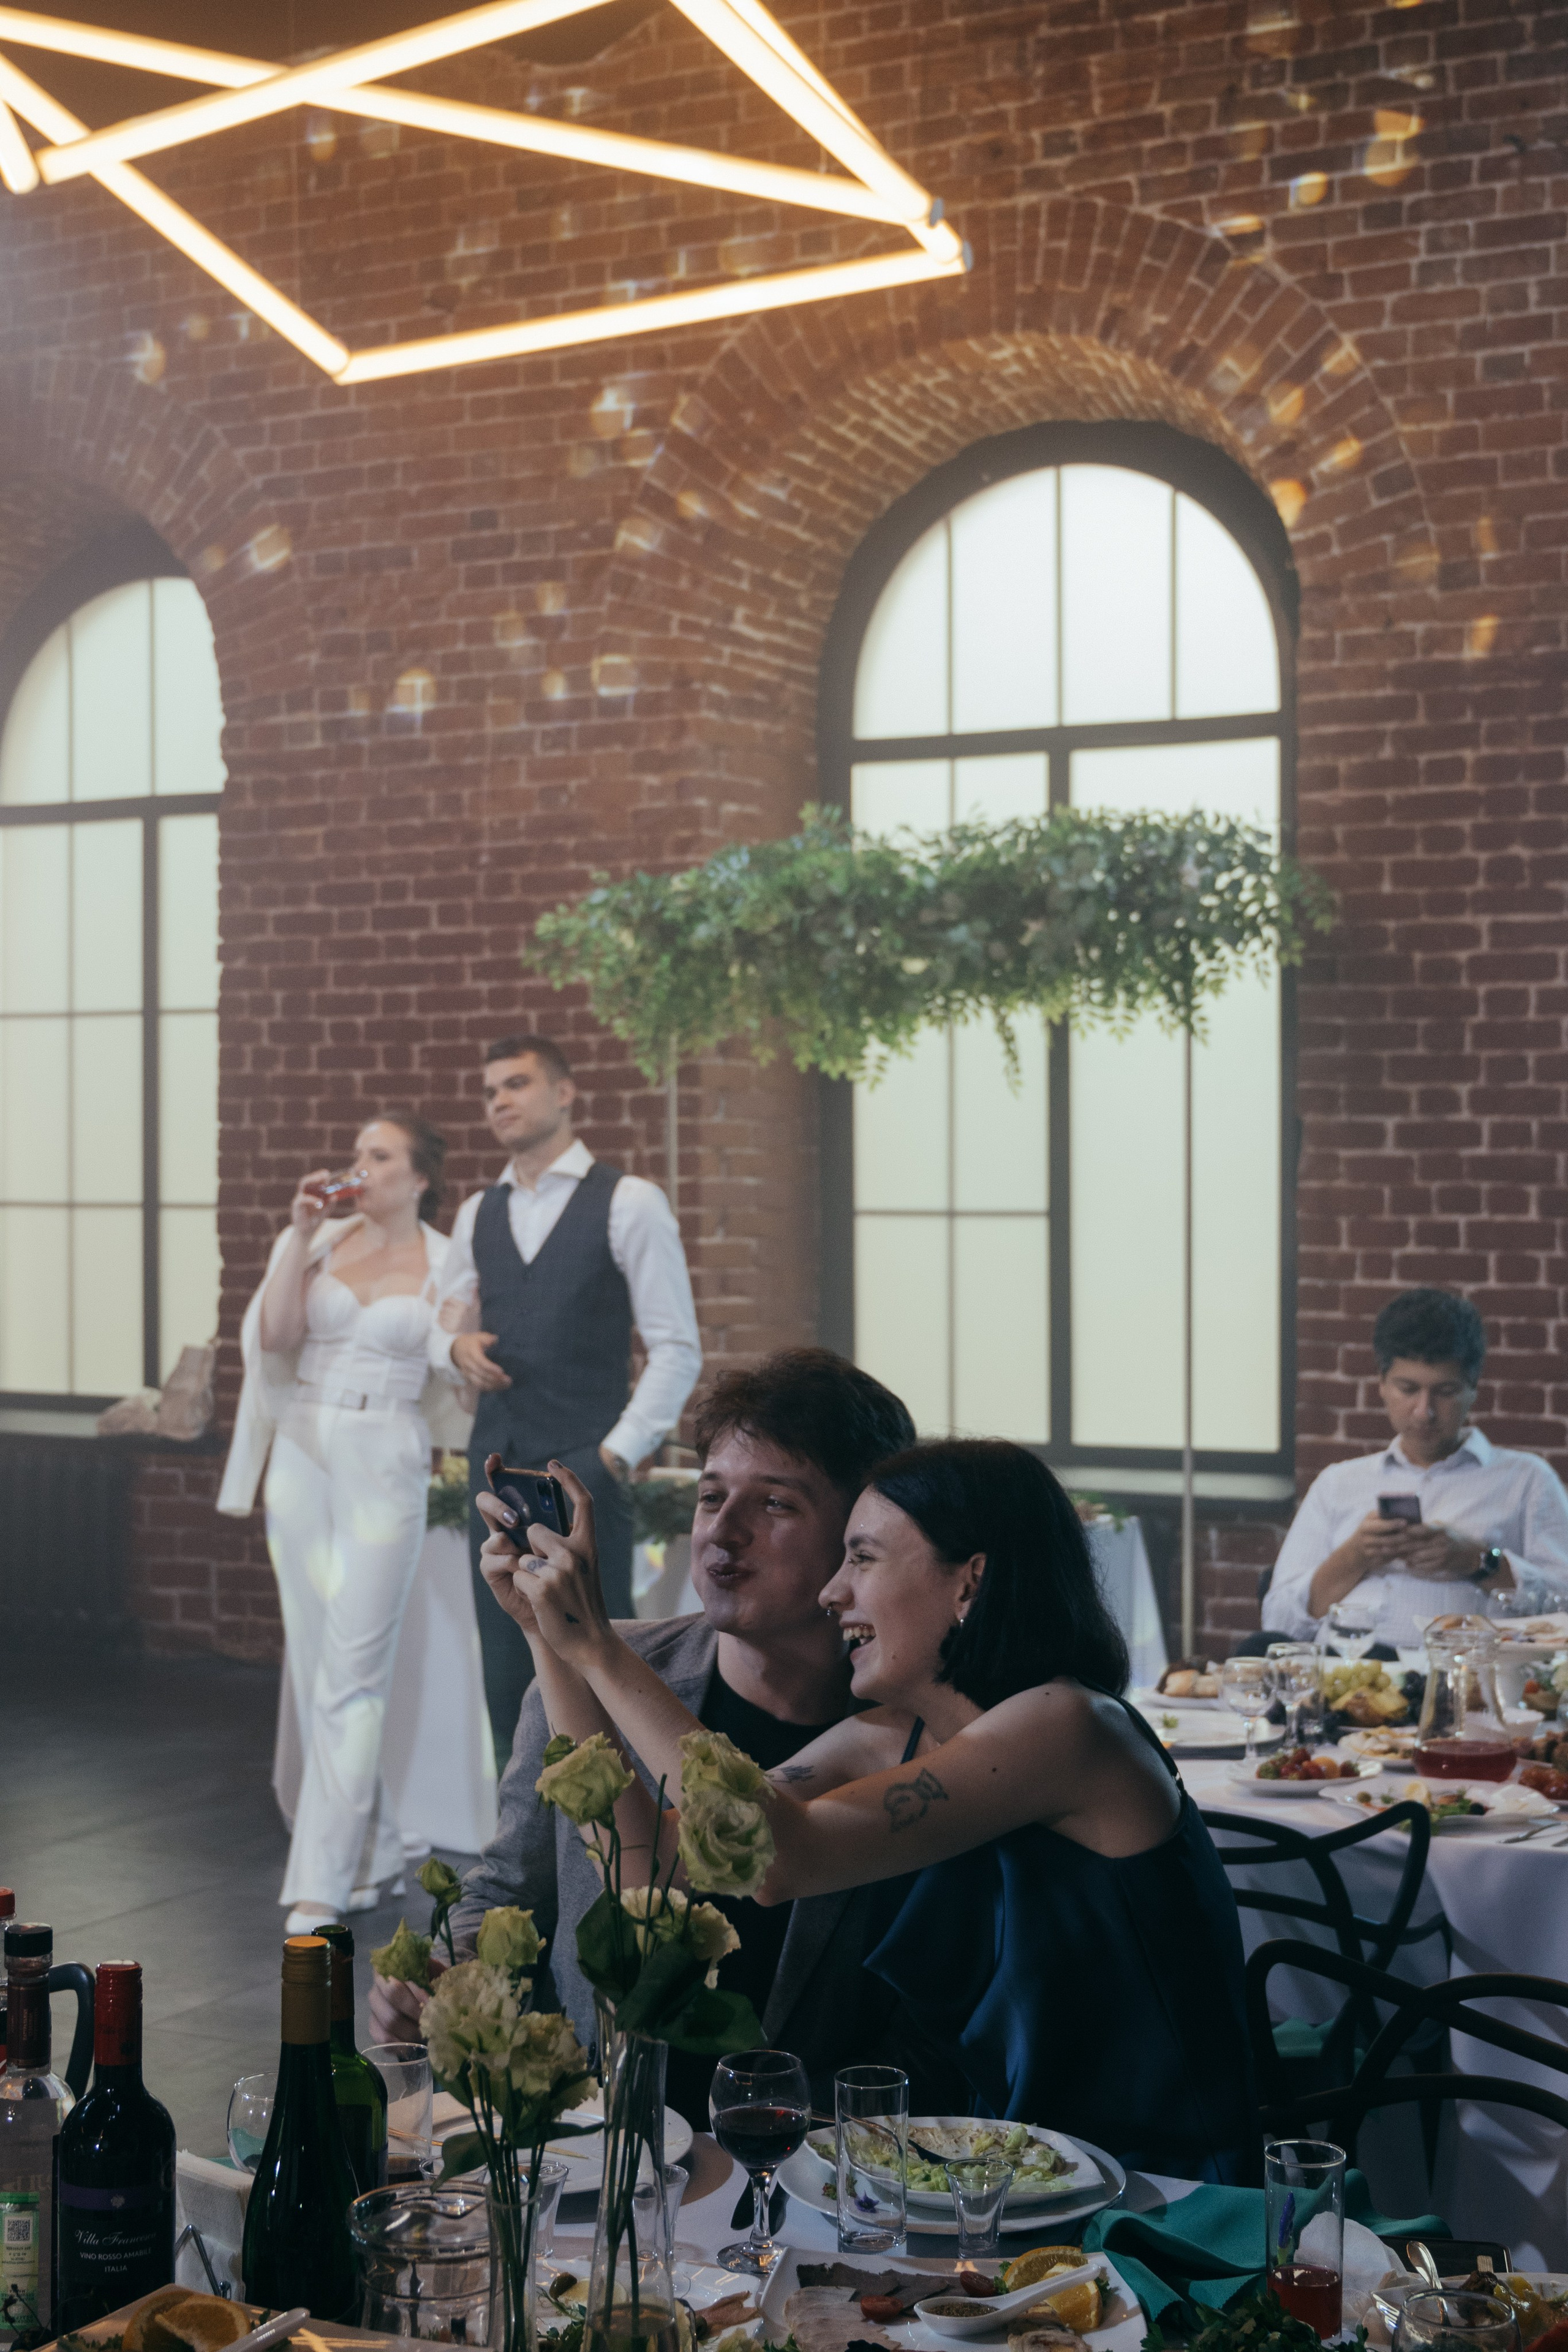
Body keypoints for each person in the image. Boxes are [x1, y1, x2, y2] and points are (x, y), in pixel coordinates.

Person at [479, 1434, 1259, 2180]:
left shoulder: (1072, 1726)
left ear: (969, 1582)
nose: (832, 1591)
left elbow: (777, 1859)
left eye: (862, 1557)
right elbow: (650, 1868)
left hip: (1149, 2188)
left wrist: (600, 1645)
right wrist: (550, 1640)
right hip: (998, 2181)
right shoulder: (892, 1737)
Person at [370, 1348, 917, 2125]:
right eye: (711, 1496)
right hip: (610, 2139)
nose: (723, 1531)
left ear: (860, 1534)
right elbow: (507, 1890)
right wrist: (444, 1973)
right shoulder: (583, 1673)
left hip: (817, 2154)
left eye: (775, 1504)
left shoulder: (905, 1729)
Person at [217, 1112, 472, 1934]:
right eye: (358, 1152)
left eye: (379, 1154)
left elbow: (458, 1370)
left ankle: (322, 1880)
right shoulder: (322, 1241)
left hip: (384, 1449)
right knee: (315, 1659)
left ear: (419, 1176)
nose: (359, 1165)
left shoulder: (449, 1259)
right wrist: (297, 1235)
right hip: (302, 1448)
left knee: (355, 1667)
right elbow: (275, 1336)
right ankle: (375, 1848)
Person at [429, 1034, 701, 1759]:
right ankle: (520, 1833)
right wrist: (454, 1348)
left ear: (565, 1092)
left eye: (516, 1084)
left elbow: (677, 1348)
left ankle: (629, 1833)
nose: (500, 1101)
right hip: (495, 1471)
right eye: (490, 1091)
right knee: (505, 1676)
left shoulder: (629, 1202)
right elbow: (443, 1324)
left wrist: (614, 1456)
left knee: (604, 1669)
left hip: (587, 1473)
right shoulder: (477, 1212)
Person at [1264, 1287, 1568, 1650]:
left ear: (1473, 1388)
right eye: (1408, 1389)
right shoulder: (1337, 1483)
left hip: (1468, 1674)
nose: (1425, 1411)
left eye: (1445, 1391)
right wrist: (1354, 1557)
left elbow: (1562, 1606)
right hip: (1347, 1672)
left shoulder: (1527, 1480)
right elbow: (1277, 1623)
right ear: (1381, 1384)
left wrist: (1478, 1561)